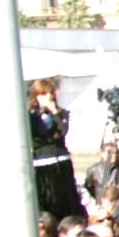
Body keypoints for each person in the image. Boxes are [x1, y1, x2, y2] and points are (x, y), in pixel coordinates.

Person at [28, 79, 84, 222]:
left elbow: (62, 131)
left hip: (61, 160)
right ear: (36, 96)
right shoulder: (31, 116)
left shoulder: (62, 113)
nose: (49, 96)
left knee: (66, 197)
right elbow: (40, 137)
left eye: (51, 93)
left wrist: (54, 112)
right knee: (49, 198)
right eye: (44, 94)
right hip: (43, 162)